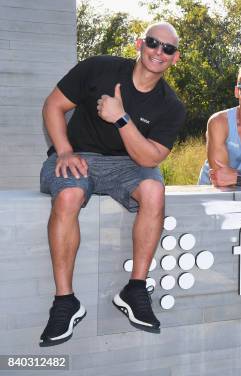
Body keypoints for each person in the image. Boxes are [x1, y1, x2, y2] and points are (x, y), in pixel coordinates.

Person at [39, 22, 185, 346]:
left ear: (175, 58)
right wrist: (63, 150)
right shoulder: (99, 68)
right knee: (69, 194)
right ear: (139, 44)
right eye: (153, 43)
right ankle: (65, 302)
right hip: (76, 155)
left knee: (153, 189)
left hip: (128, 164)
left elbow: (149, 159)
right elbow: (53, 105)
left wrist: (120, 118)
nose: (159, 52)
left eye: (168, 49)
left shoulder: (171, 106)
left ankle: (135, 290)